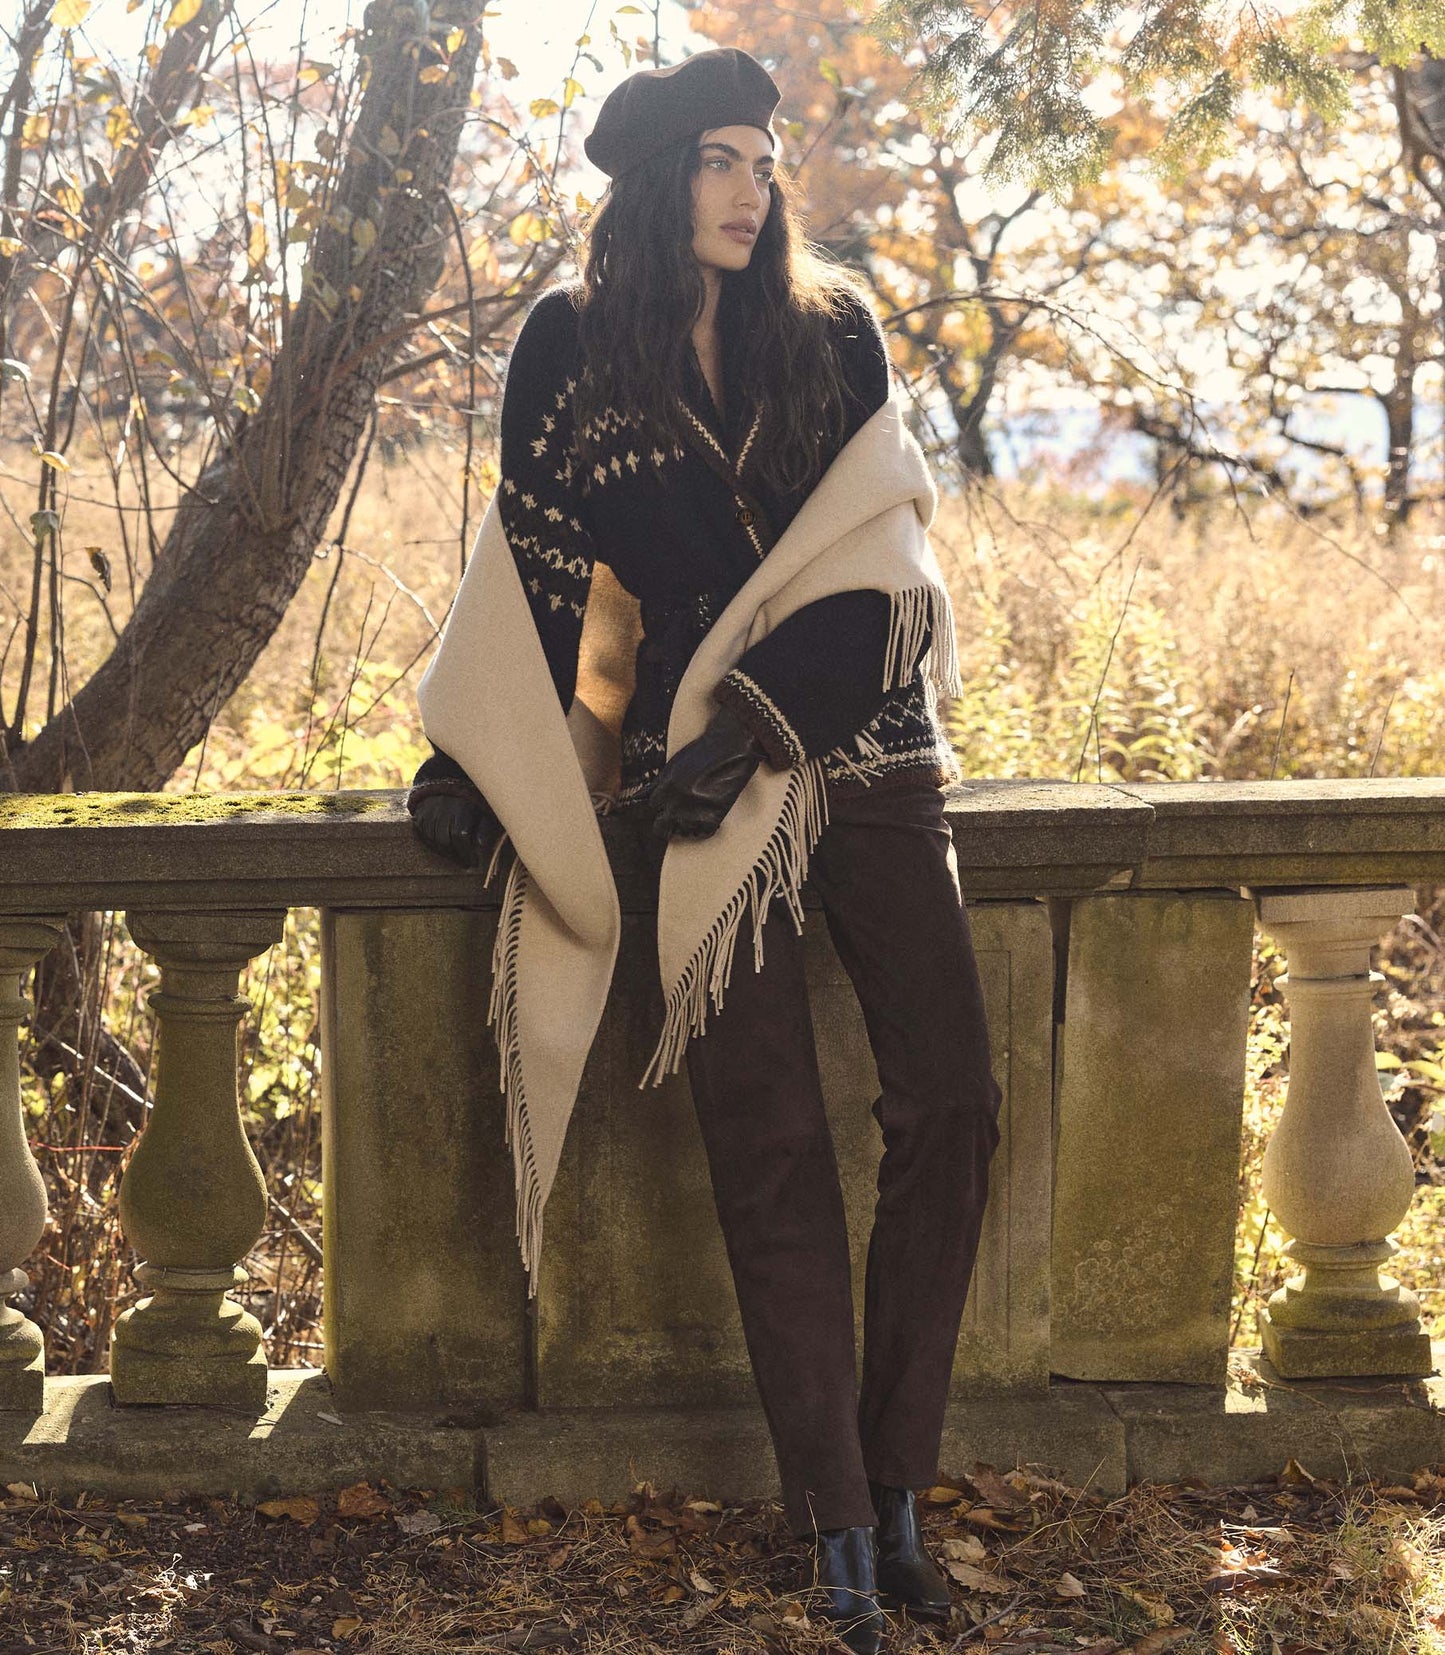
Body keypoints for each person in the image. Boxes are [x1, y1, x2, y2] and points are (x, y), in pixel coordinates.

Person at [407, 47, 1003, 1655]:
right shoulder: (565, 347)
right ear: (656, 184)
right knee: (770, 1146)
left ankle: (894, 1483)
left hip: (860, 753)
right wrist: (478, 754)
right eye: (720, 162)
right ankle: (833, 1527)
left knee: (952, 1100)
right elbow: (546, 571)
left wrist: (759, 711)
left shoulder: (831, 335)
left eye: (764, 161)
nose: (752, 190)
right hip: (686, 788)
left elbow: (887, 576)